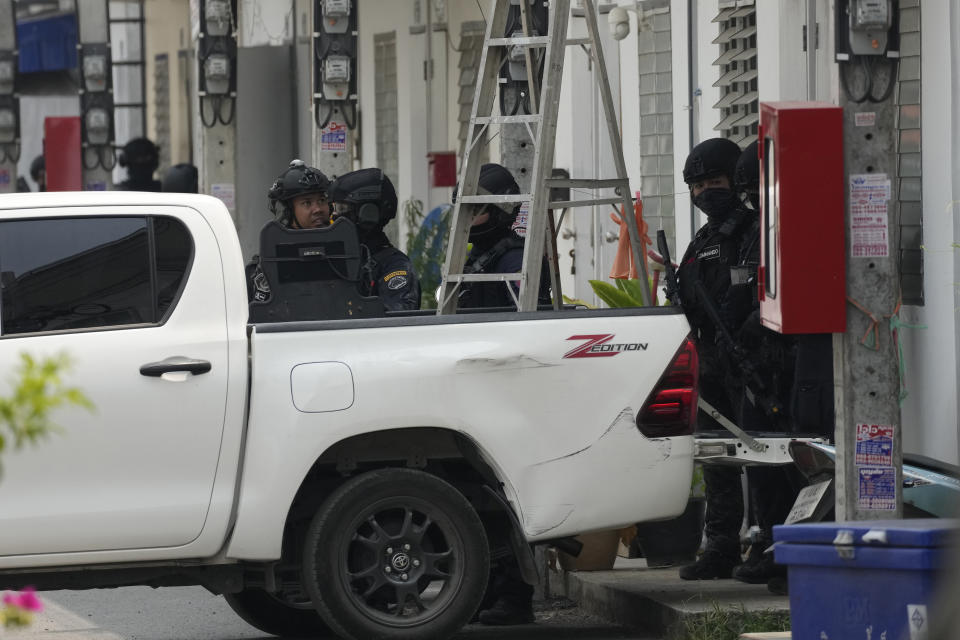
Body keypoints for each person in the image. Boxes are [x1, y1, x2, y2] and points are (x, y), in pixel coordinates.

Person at [451, 163, 543, 626]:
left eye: (481, 210)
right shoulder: (479, 256)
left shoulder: (513, 259)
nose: (472, 221)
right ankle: (492, 590)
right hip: (481, 391)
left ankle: (515, 595)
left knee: (506, 498)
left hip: (508, 393)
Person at [675, 137, 756, 581]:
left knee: (760, 455)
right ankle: (722, 546)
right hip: (709, 360)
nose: (706, 192)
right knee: (718, 457)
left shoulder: (754, 231)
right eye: (698, 185)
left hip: (751, 361)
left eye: (716, 181)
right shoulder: (703, 239)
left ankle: (767, 540)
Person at [454, 163, 551, 310]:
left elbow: (526, 322)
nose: (466, 218)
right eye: (463, 210)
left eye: (475, 210)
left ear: (498, 213)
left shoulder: (515, 260)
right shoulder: (479, 253)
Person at [326, 168, 420, 311]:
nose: (333, 216)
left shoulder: (394, 265)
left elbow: (396, 319)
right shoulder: (336, 257)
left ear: (368, 213)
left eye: (342, 208)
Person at [247, 159, 332, 303]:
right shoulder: (267, 264)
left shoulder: (345, 249)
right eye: (307, 203)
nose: (318, 209)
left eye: (322, 200)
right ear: (288, 211)